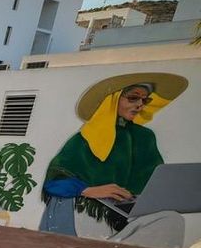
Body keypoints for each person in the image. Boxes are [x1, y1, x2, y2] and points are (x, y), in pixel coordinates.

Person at [39, 72, 187, 236]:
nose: (140, 105)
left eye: (145, 100)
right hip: (88, 212)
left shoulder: (145, 137)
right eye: (133, 98)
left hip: (130, 214)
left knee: (172, 220)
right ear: (113, 99)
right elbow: (54, 181)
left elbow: (156, 179)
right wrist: (88, 190)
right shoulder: (87, 136)